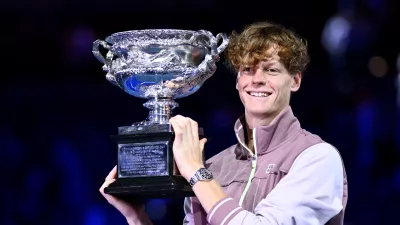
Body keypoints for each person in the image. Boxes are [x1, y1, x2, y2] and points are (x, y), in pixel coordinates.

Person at [100, 21, 348, 225]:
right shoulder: (215, 166)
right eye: (248, 70)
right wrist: (137, 217)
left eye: (271, 70)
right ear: (238, 81)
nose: (257, 80)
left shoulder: (317, 158)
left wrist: (196, 173)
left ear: (294, 81)